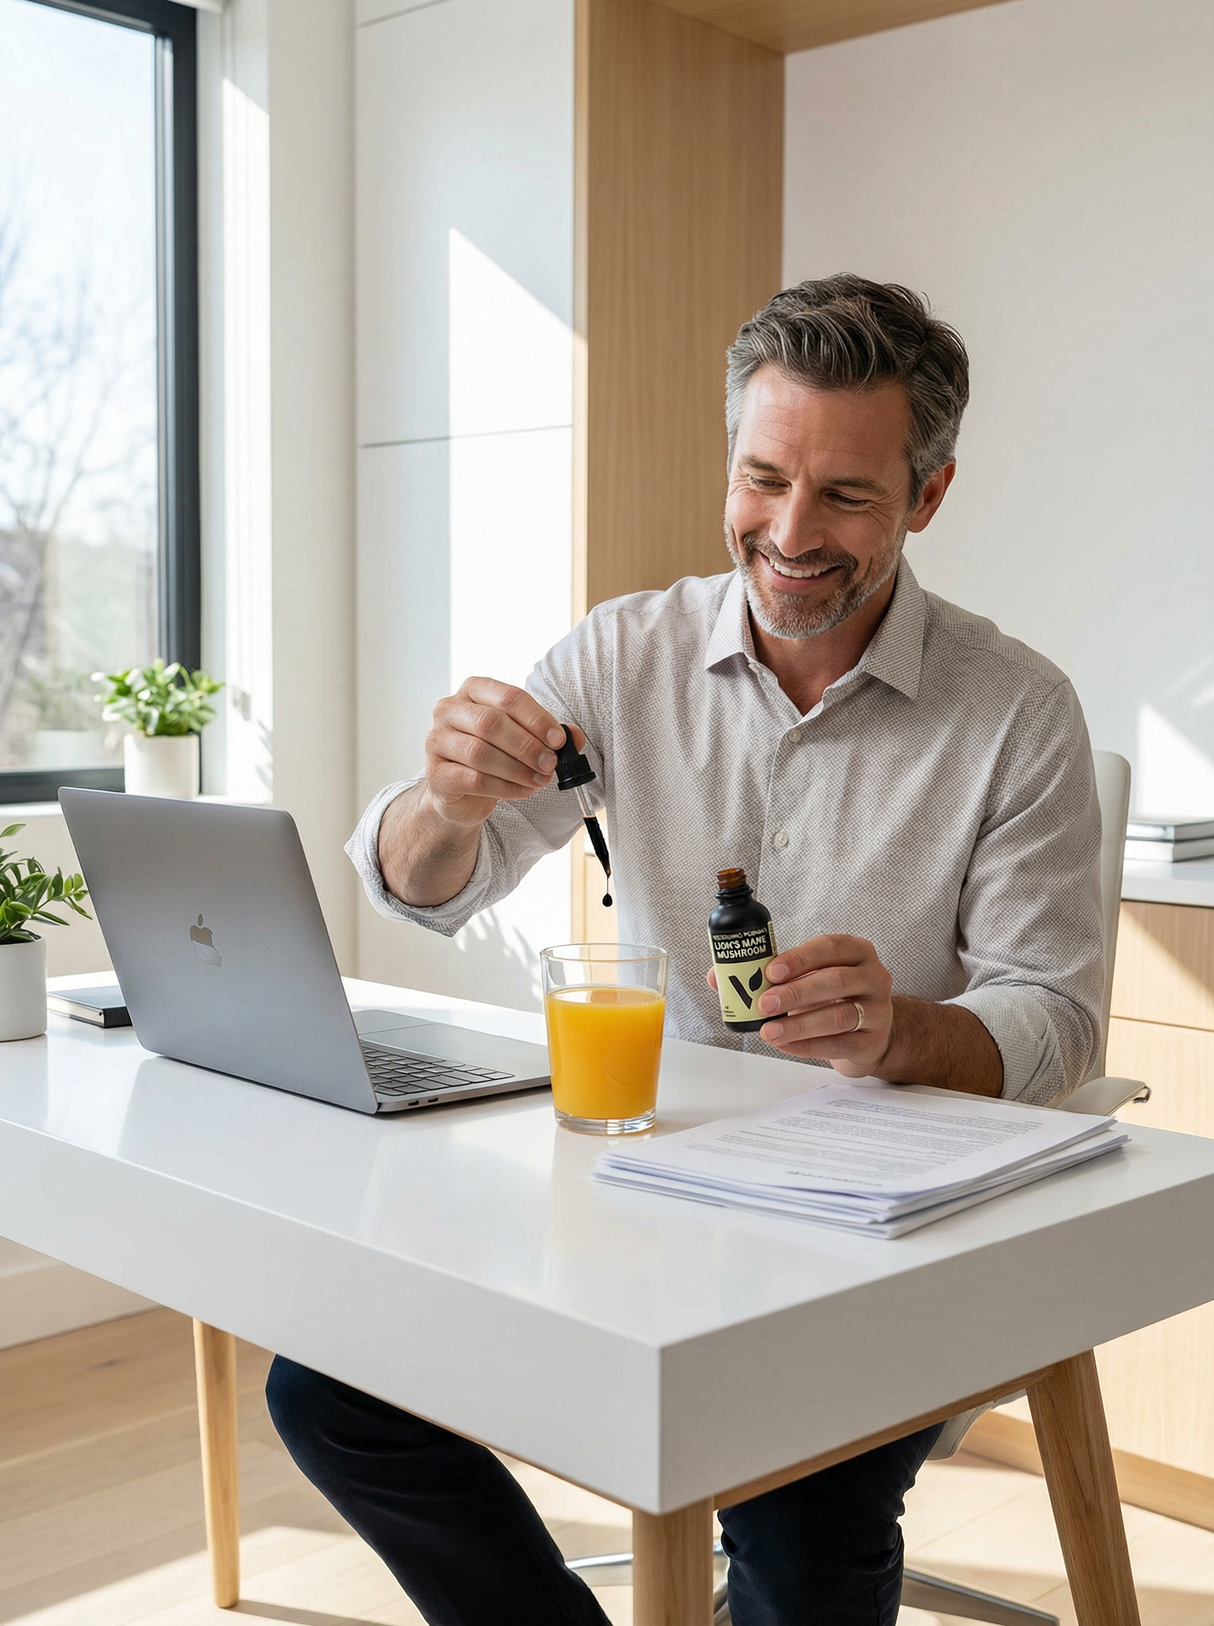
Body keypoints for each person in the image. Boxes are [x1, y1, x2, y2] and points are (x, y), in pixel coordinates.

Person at [266, 275, 1105, 1626]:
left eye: (844, 494)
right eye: (763, 477)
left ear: (928, 495)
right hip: (644, 1191)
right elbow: (422, 889)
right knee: (331, 1388)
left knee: (798, 1497)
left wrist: (905, 1034)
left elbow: (1055, 1015)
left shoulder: (1015, 712)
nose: (787, 532)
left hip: (891, 1224)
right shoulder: (620, 658)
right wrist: (447, 799)